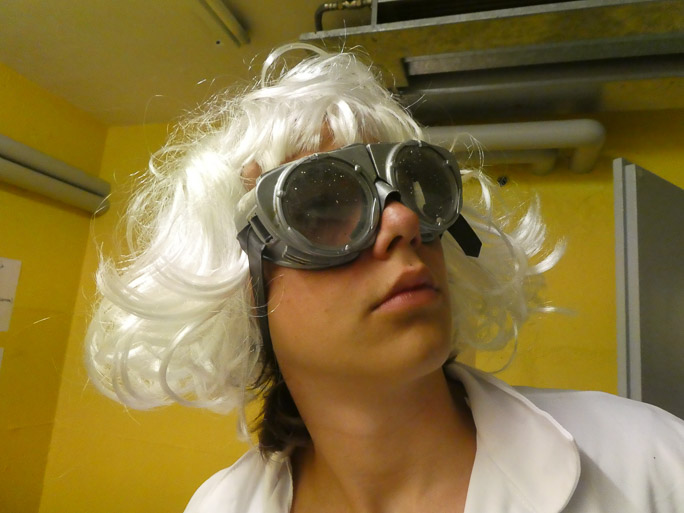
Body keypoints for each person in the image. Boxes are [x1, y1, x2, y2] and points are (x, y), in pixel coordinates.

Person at [85, 43, 684, 513]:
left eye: (413, 188)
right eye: (320, 206)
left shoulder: (650, 462)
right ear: (241, 283)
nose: (402, 220)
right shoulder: (217, 508)